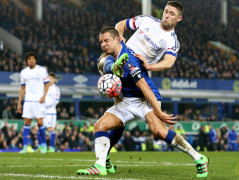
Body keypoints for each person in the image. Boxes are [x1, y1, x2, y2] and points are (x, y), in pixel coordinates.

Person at [76, 27, 208, 178]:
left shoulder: (129, 60)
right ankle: (100, 165)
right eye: (101, 42)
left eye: (106, 41)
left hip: (145, 99)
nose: (103, 44)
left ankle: (199, 158)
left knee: (160, 132)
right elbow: (104, 64)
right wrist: (114, 76)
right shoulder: (109, 57)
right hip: (127, 100)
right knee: (100, 125)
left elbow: (144, 86)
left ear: (117, 39)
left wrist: (158, 112)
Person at [105, 0, 184, 173]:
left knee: (151, 128)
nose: (167, 15)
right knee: (118, 119)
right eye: (165, 11)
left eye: (171, 14)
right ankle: (104, 159)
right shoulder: (147, 20)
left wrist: (149, 66)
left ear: (178, 18)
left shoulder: (172, 41)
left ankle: (103, 159)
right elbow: (120, 24)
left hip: (137, 73)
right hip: (123, 65)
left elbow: (169, 62)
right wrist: (119, 38)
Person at [17, 51, 49, 153]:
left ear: (35, 60)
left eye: (33, 59)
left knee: (40, 122)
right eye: (29, 59)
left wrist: (44, 96)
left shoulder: (42, 70)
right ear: (26, 61)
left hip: (39, 100)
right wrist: (19, 102)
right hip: (28, 100)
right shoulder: (23, 72)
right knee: (27, 122)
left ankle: (43, 145)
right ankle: (25, 147)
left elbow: (47, 84)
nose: (31, 60)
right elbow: (22, 88)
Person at [37, 72, 60, 152]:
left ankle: (51, 147)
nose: (50, 80)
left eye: (51, 78)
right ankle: (40, 146)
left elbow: (56, 100)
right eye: (49, 78)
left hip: (51, 112)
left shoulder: (55, 88)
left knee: (51, 129)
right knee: (38, 128)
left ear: (54, 79)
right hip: (42, 111)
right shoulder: (44, 88)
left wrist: (47, 106)